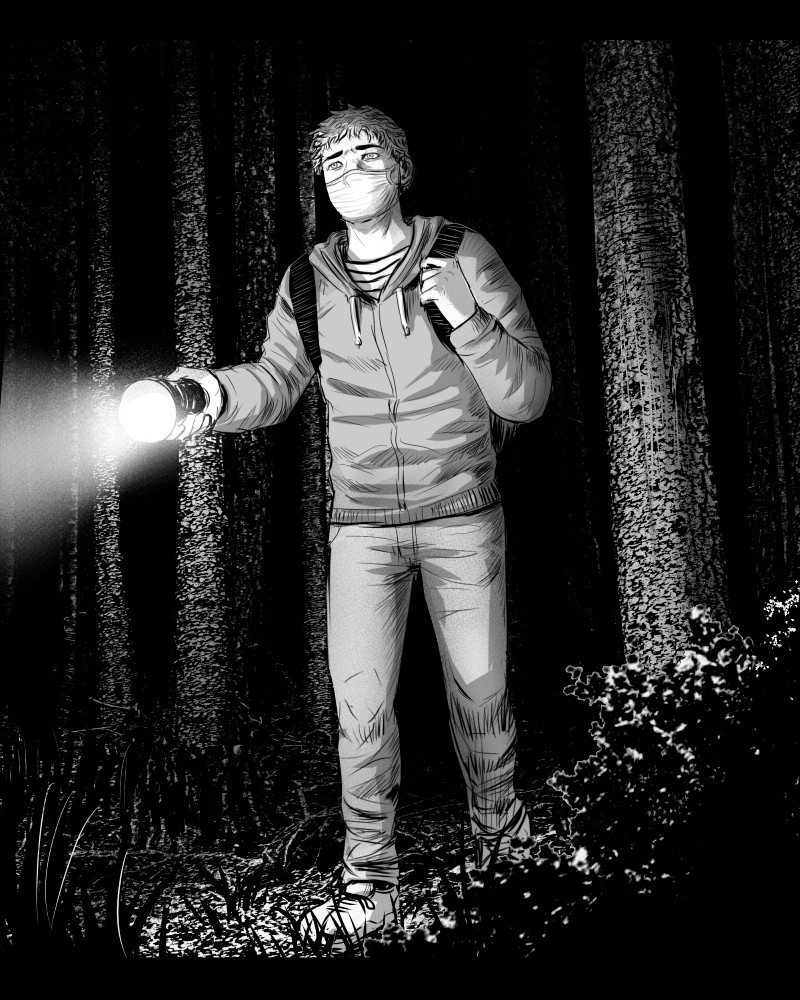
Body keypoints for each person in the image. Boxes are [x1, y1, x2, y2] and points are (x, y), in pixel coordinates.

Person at [167, 105, 552, 952]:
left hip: (462, 515)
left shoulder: (461, 253)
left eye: (365, 152)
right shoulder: (308, 281)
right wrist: (209, 395)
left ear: (401, 167)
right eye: (332, 161)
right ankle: (370, 885)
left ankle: (505, 857)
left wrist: (467, 318)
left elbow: (528, 394)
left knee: (482, 695)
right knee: (362, 708)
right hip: (362, 529)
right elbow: (275, 381)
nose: (347, 168)